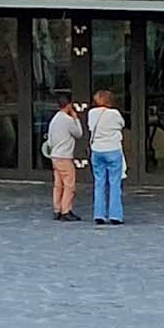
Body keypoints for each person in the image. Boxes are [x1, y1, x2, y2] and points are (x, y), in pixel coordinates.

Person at [87, 88, 127, 226]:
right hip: (113, 149)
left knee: (99, 183)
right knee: (114, 183)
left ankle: (99, 214)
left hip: (97, 150)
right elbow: (122, 124)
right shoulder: (114, 114)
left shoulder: (91, 113)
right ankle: (115, 215)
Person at [46, 91, 83, 222]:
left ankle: (57, 209)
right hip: (65, 156)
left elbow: (50, 141)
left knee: (58, 184)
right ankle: (66, 210)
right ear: (69, 105)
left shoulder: (54, 119)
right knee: (69, 184)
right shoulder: (67, 120)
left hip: (55, 156)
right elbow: (79, 133)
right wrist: (75, 118)